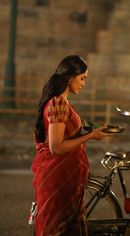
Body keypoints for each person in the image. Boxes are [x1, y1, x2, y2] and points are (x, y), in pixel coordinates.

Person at [31, 55, 112, 236]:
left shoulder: (62, 102)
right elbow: (57, 147)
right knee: (56, 228)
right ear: (69, 78)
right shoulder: (58, 103)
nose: (84, 83)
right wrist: (89, 136)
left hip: (66, 177)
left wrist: (89, 132)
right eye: (82, 78)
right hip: (57, 178)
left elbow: (65, 136)